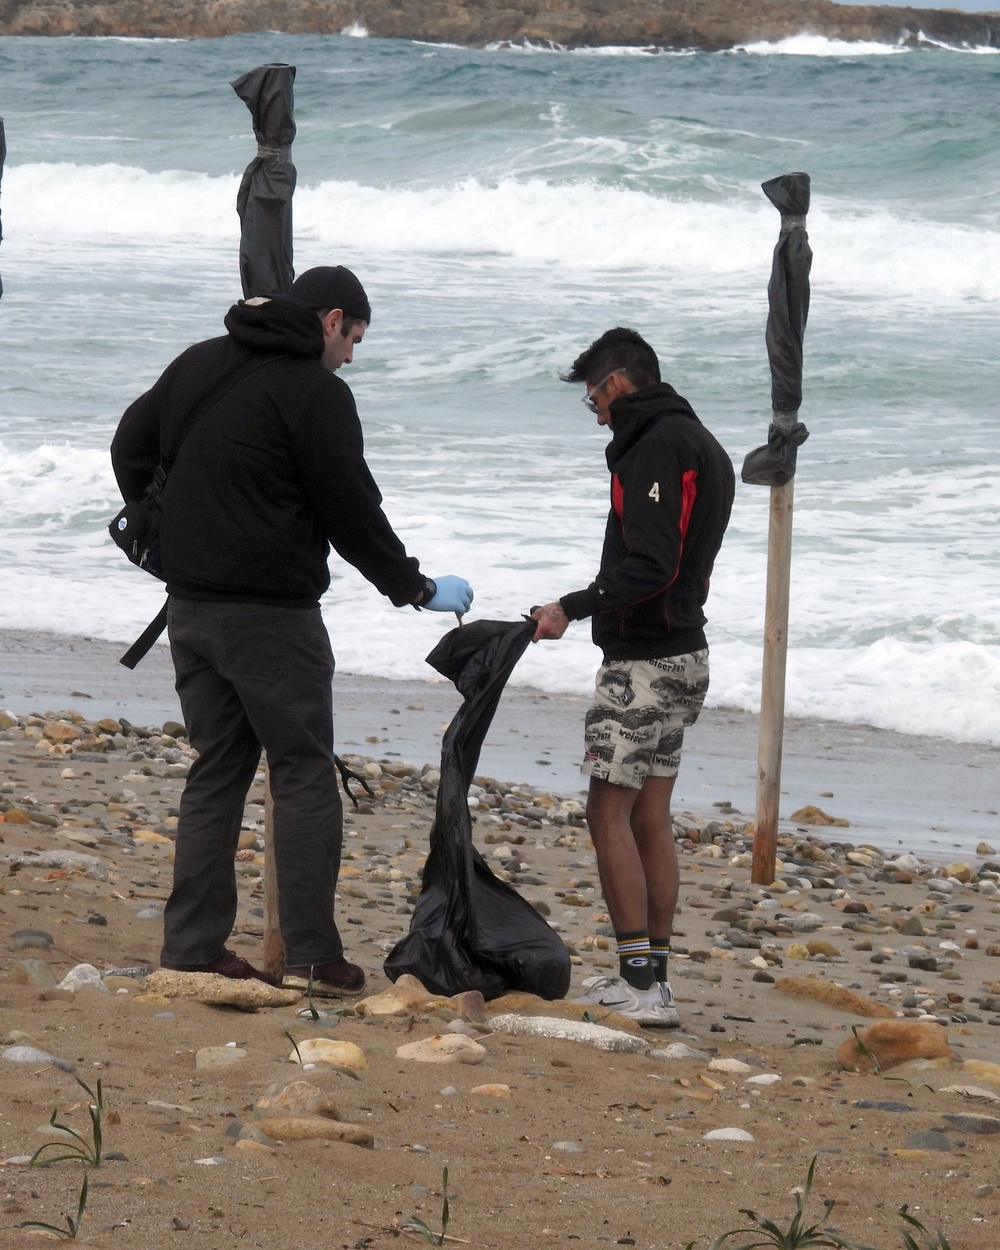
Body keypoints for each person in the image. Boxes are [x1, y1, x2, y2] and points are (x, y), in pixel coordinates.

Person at [111, 266, 473, 997]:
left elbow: (129, 448)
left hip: (190, 607)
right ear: (332, 319)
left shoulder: (198, 361)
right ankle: (312, 957)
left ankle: (190, 947)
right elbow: (352, 513)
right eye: (354, 340)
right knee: (304, 770)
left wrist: (176, 536)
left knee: (216, 767)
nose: (350, 357)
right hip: (272, 617)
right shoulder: (316, 393)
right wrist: (417, 588)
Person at [532, 328, 734, 1027]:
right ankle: (653, 979)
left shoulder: (655, 444)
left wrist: (570, 607)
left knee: (607, 812)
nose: (595, 415)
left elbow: (650, 567)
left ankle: (641, 984)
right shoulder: (702, 440)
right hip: (688, 654)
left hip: (644, 663)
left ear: (618, 383)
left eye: (593, 398)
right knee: (651, 814)